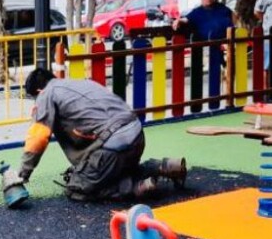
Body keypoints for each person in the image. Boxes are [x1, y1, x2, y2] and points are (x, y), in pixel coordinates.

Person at [16, 67, 187, 202]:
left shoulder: (46, 94)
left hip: (114, 147)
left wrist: (21, 175)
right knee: (116, 169)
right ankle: (162, 166)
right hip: (136, 137)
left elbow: (38, 137)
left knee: (76, 188)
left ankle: (135, 187)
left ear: (38, 91)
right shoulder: (79, 83)